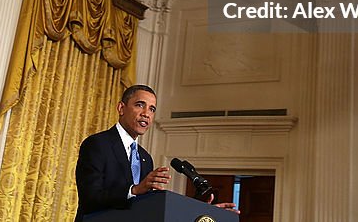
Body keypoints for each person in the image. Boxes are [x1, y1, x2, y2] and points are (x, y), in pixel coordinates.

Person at [74, 84, 238, 220]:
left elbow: (148, 208)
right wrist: (134, 190)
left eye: (152, 109)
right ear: (121, 108)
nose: (146, 113)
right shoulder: (97, 144)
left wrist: (200, 212)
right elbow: (90, 198)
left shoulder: (145, 158)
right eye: (140, 105)